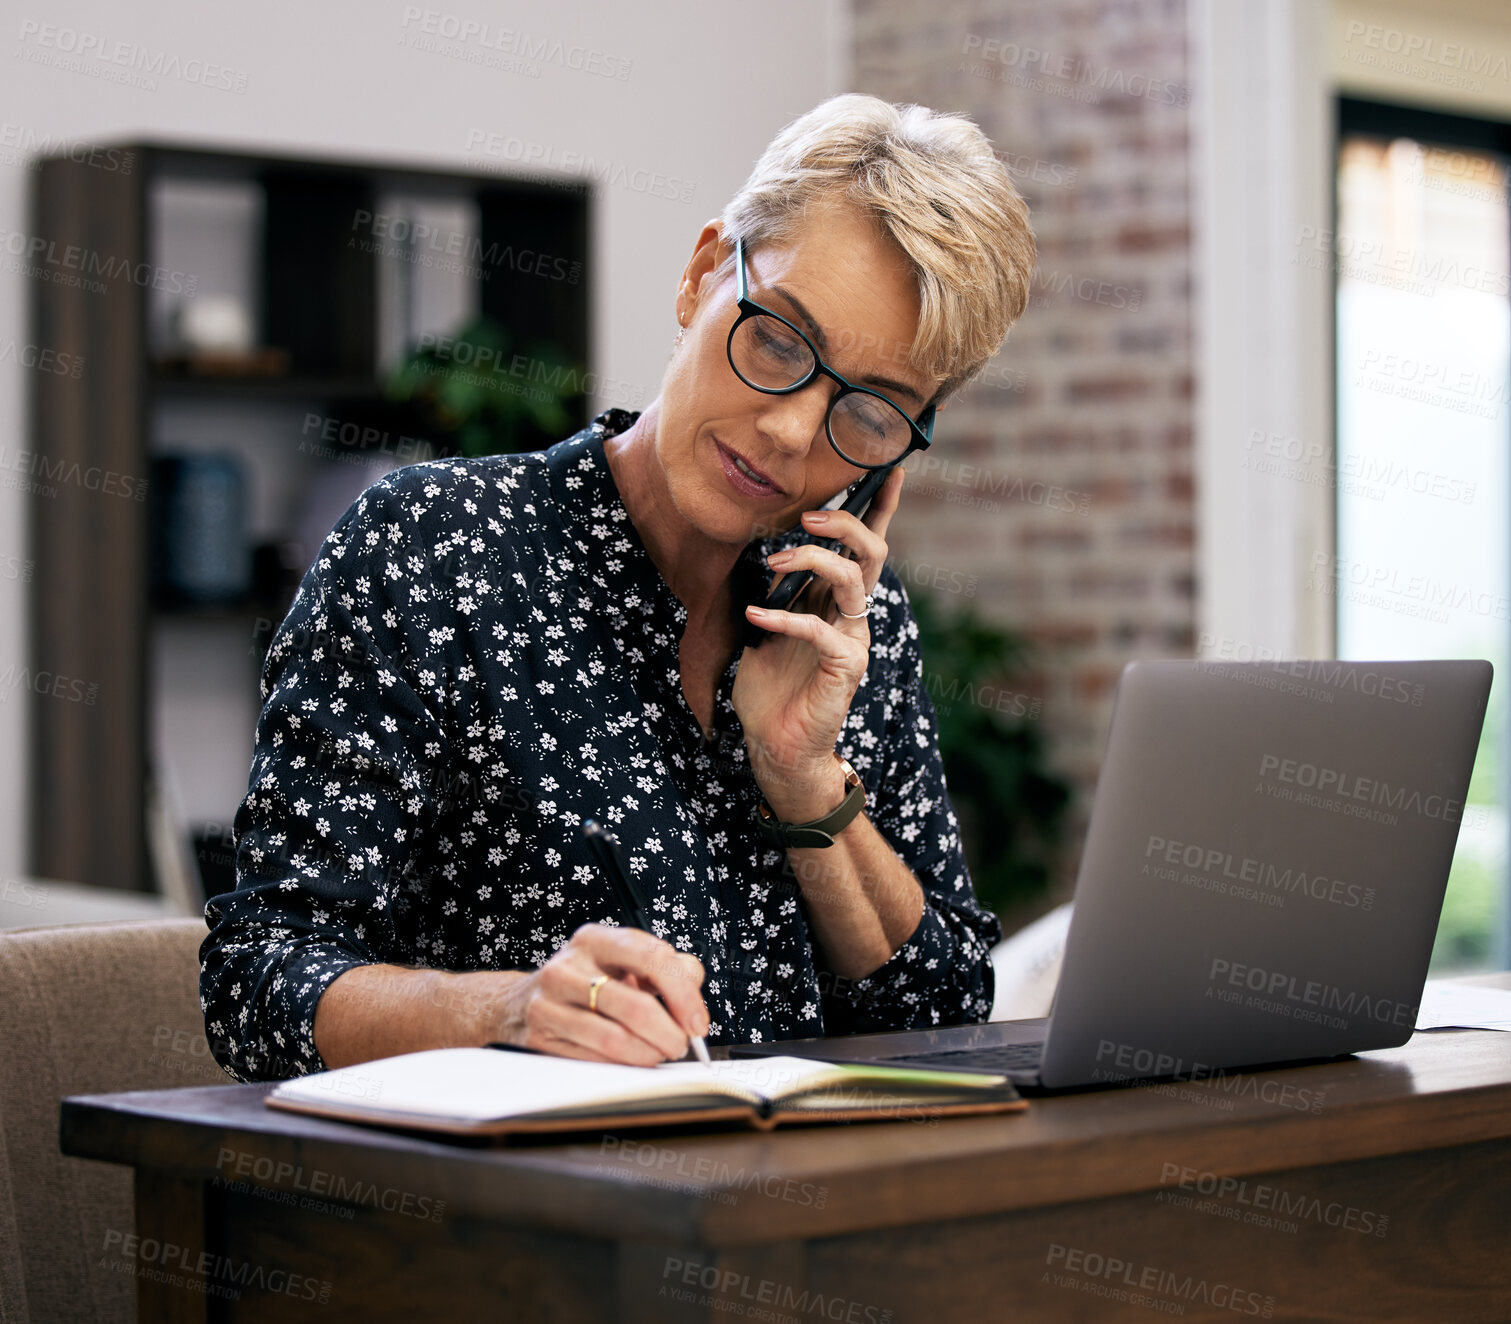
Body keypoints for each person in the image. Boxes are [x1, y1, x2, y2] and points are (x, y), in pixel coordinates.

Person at [200, 92, 1036, 1081]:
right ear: (698, 277)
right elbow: (257, 982)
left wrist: (804, 781)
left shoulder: (844, 619)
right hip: (492, 1213)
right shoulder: (431, 551)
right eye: (776, 342)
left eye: (871, 412)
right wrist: (507, 1008)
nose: (790, 432)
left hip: (788, 1210)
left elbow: (945, 1017)